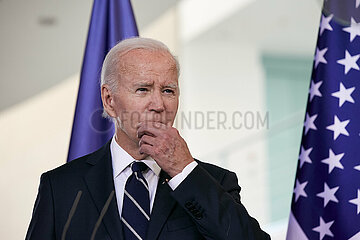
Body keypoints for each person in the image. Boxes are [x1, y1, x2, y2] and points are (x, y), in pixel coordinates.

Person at [26, 37, 270, 240]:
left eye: (168, 91)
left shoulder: (216, 181)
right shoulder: (60, 187)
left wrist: (182, 170)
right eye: (143, 89)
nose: (159, 104)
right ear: (109, 100)